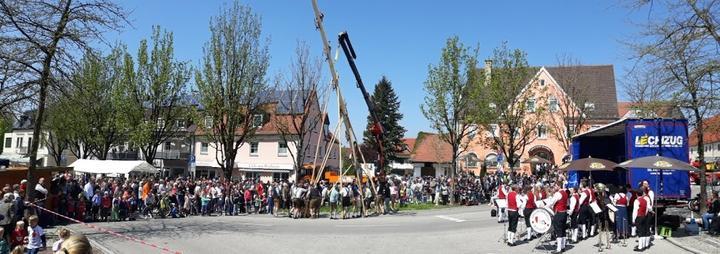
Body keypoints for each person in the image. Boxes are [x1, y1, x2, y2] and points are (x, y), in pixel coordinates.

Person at [545, 183, 569, 254]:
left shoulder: (558, 194)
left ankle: (559, 249)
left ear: (558, 186)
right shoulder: (565, 193)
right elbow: (567, 204)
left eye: (555, 185)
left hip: (559, 213)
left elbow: (551, 202)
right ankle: (563, 246)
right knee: (563, 229)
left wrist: (545, 206)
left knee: (558, 230)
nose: (554, 187)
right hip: (564, 213)